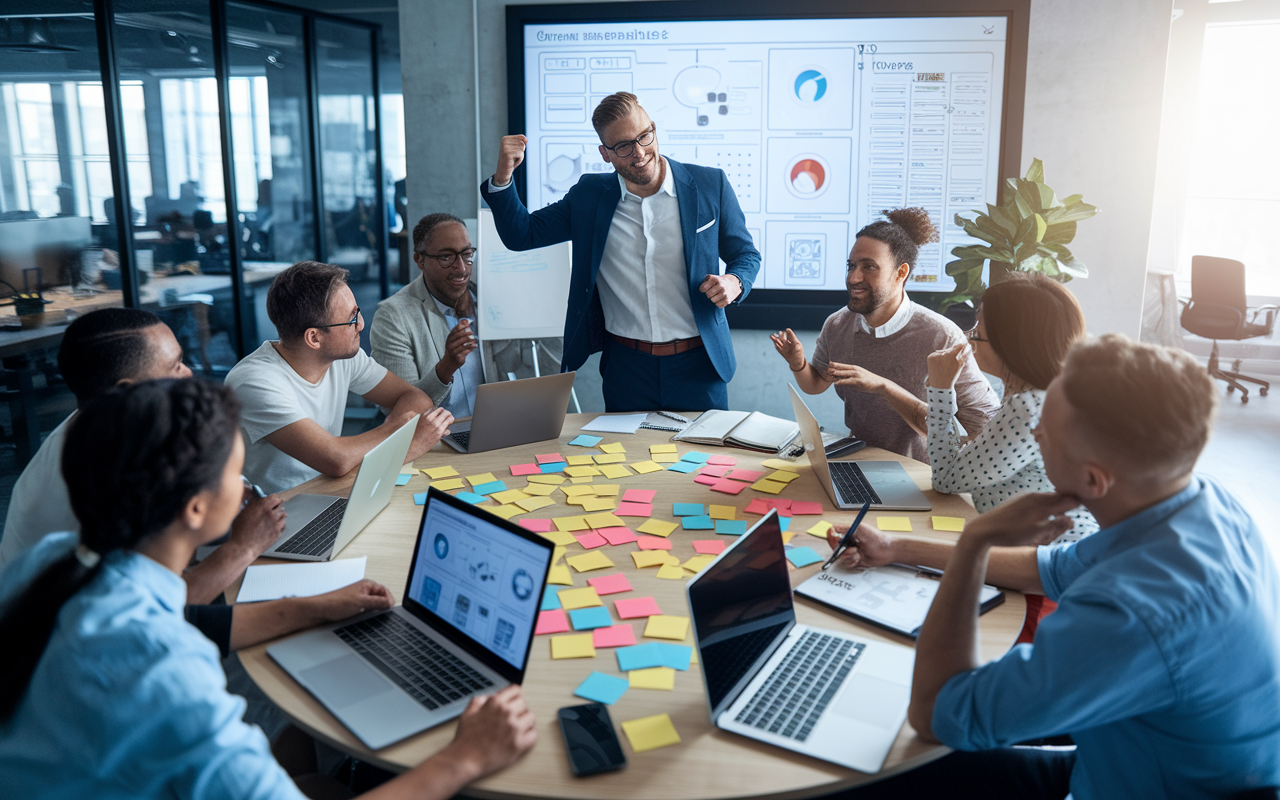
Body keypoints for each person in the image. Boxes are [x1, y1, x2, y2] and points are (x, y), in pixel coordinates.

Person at [0, 379, 538, 798]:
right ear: (195, 508)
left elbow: (179, 619)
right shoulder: (166, 670)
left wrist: (310, 608)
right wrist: (465, 758)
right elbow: (163, 643)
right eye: (235, 472)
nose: (244, 485)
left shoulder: (52, 561)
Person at [835, 334, 1280, 799]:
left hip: (1124, 788)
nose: (1037, 433)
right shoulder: (1200, 504)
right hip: (1127, 763)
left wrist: (975, 543)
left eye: (1046, 427)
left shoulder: (1132, 613)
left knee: (874, 772)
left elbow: (936, 714)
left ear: (1093, 479)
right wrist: (897, 548)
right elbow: (1045, 568)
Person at [0, 307, 388, 657]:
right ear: (126, 391)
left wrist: (316, 607)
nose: (190, 374)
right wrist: (243, 548)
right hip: (64, 654)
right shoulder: (96, 486)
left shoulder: (120, 435)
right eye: (176, 366)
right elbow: (155, 609)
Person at [481, 91, 761, 412]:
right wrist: (504, 178)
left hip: (699, 364)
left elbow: (746, 255)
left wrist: (735, 282)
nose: (639, 152)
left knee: (702, 462)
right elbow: (522, 235)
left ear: (653, 128)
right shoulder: (589, 197)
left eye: (644, 136)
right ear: (606, 154)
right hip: (627, 368)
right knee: (624, 462)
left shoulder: (711, 184)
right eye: (624, 146)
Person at [772, 208, 998, 461]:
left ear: (901, 273)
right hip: (859, 463)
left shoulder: (941, 336)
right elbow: (815, 384)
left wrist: (883, 386)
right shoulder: (837, 325)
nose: (854, 277)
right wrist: (798, 363)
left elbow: (985, 425)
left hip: (924, 475)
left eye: (869, 267)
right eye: (851, 266)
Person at [226, 261, 453, 494]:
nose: (361, 325)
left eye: (358, 313)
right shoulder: (254, 382)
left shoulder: (342, 358)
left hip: (332, 490)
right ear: (314, 338)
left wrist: (393, 433)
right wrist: (404, 436)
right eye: (352, 319)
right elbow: (336, 459)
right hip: (280, 512)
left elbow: (415, 397)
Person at [370, 213, 555, 418]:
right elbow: (397, 409)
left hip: (500, 429)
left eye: (467, 254)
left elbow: (533, 376)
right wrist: (445, 368)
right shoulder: (393, 317)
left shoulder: (490, 302)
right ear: (419, 260)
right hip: (436, 442)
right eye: (446, 257)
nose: (461, 268)